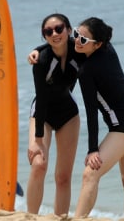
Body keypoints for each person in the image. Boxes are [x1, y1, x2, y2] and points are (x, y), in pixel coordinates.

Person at [72, 17, 124, 218]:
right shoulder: (108, 49)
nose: (76, 41)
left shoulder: (87, 71)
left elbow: (91, 111)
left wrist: (92, 149)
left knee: (90, 174)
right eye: (76, 34)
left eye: (82, 40)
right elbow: (63, 45)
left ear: (98, 44)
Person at [26, 14, 85, 216]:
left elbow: (97, 45)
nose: (54, 34)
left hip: (69, 114)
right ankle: (31, 217)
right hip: (42, 113)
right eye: (48, 32)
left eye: (59, 28)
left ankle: (61, 218)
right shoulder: (41, 60)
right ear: (44, 36)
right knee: (39, 164)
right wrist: (37, 139)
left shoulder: (79, 52)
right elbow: (41, 98)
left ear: (68, 29)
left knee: (63, 177)